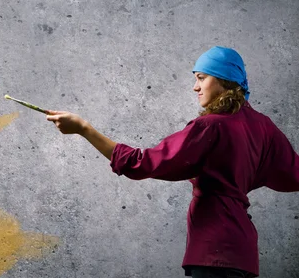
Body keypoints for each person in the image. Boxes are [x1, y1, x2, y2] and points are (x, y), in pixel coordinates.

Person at [46, 46, 299, 278]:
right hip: (244, 251)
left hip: (215, 251)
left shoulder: (210, 127)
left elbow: (142, 164)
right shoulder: (262, 126)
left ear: (223, 81)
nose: (195, 87)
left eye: (201, 78)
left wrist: (84, 128)